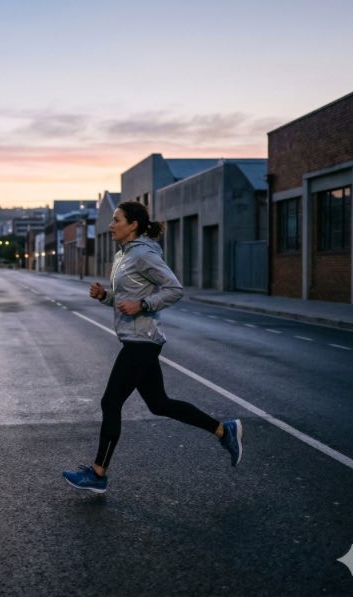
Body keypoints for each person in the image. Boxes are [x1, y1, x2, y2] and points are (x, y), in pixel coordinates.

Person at [63, 201, 243, 494]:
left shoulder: (144, 254)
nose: (111, 225)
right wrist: (105, 297)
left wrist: (143, 304)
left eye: (116, 220)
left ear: (133, 225)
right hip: (137, 338)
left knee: (110, 403)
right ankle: (225, 431)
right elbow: (127, 298)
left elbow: (174, 289)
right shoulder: (125, 255)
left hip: (141, 342)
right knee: (159, 404)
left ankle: (98, 473)